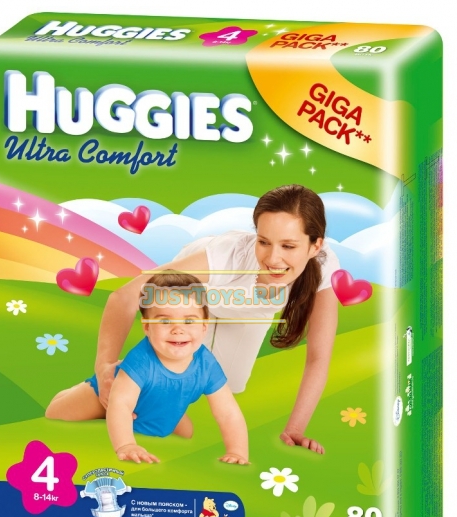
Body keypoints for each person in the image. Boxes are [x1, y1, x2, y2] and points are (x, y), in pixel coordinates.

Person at [63, 184, 339, 454]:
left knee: (231, 383)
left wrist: (295, 428)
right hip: (196, 295)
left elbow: (319, 356)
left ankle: (166, 404)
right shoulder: (228, 255)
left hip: (248, 307)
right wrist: (104, 367)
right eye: (263, 242)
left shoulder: (324, 267)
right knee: (171, 362)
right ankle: (124, 394)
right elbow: (124, 297)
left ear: (315, 245)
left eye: (288, 246)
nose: (273, 258)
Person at [46, 272, 249, 465]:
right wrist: (126, 445)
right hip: (109, 396)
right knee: (56, 411)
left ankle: (163, 403)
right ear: (147, 327)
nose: (178, 329)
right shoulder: (141, 359)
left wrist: (237, 451)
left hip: (156, 407)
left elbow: (228, 412)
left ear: (204, 327)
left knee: (187, 433)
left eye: (189, 320)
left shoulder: (206, 364)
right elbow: (121, 404)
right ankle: (80, 389)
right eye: (165, 320)